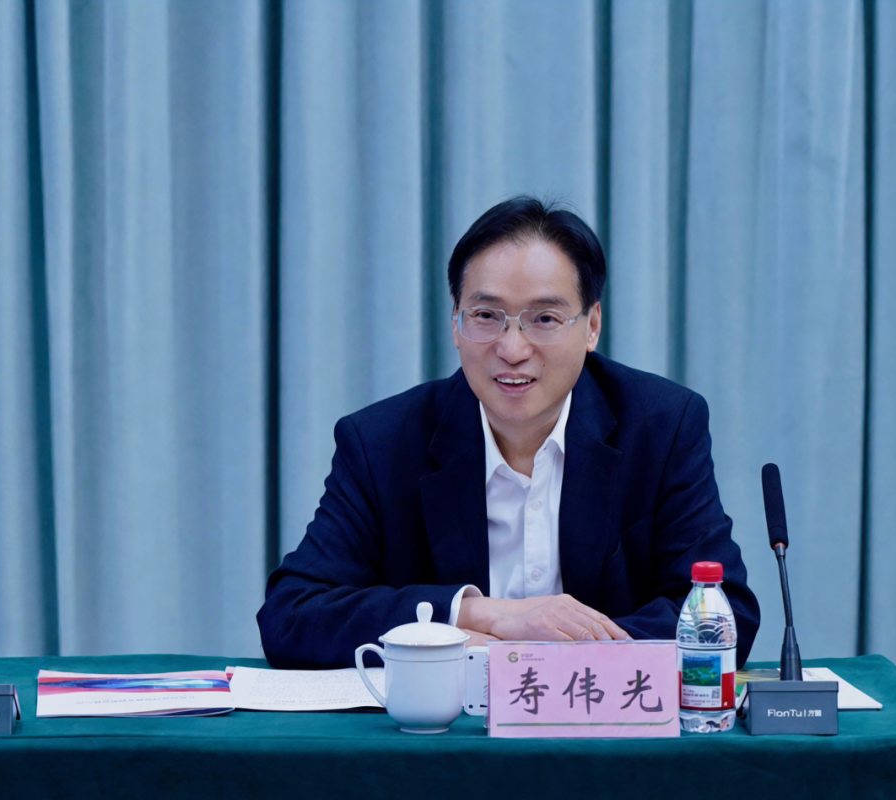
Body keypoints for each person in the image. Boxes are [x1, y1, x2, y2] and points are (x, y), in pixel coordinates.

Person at [257, 196, 760, 668]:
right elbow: (292, 615)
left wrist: (543, 662)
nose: (513, 349)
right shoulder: (381, 443)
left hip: (599, 724)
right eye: (486, 316)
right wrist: (481, 615)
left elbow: (722, 615)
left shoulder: (661, 426)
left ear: (591, 326)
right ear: (455, 324)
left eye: (545, 318)